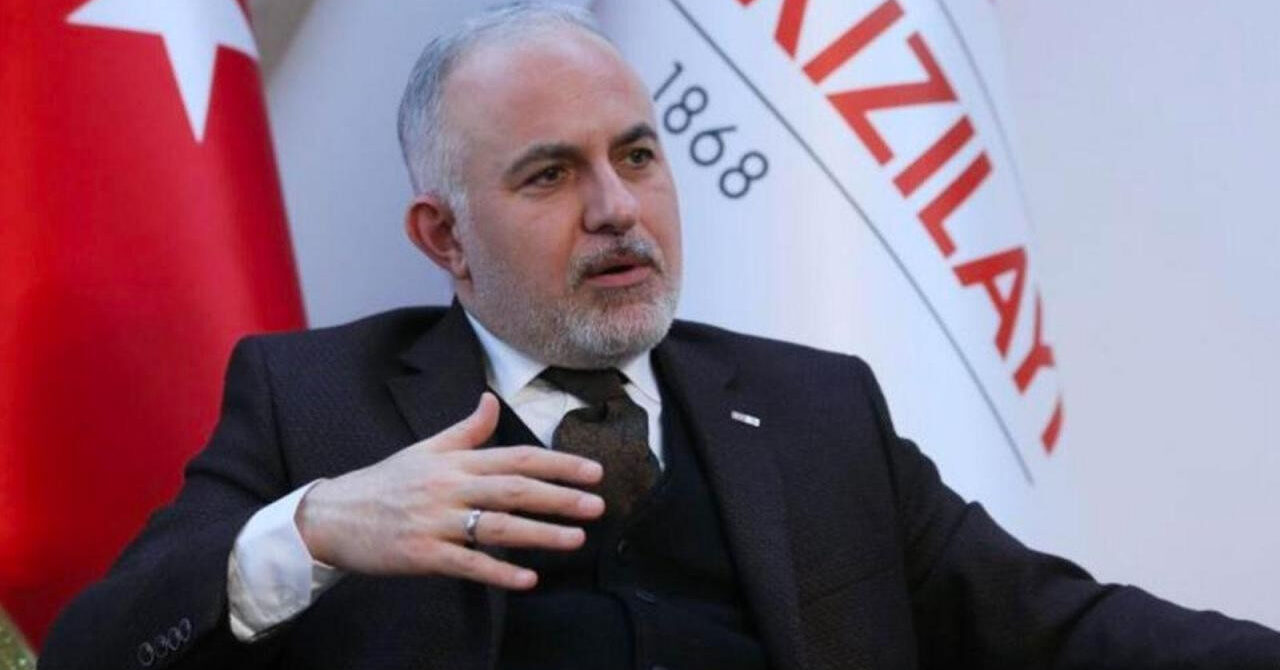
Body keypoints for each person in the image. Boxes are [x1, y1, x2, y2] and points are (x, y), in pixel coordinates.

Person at [39, 4, 1280, 669]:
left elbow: (1059, 627)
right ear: (443, 236)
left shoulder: (814, 407)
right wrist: (311, 529)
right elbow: (96, 651)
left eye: (636, 155)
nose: (617, 208)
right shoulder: (316, 400)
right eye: (548, 175)